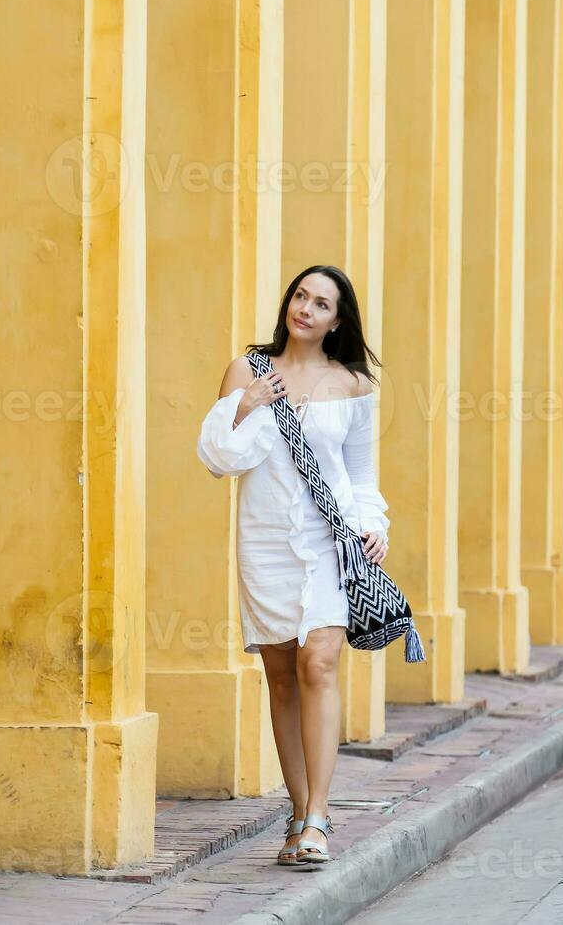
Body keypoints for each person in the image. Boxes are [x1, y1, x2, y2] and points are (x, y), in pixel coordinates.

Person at [195, 265, 390, 866]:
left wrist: (374, 526)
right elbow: (216, 459)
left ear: (337, 321)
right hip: (266, 541)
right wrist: (247, 403)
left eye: (321, 303)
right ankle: (298, 810)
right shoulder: (248, 369)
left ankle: (319, 819)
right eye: (300, 296)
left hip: (331, 542)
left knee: (320, 662)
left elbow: (359, 475)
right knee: (282, 677)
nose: (305, 308)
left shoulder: (353, 385)